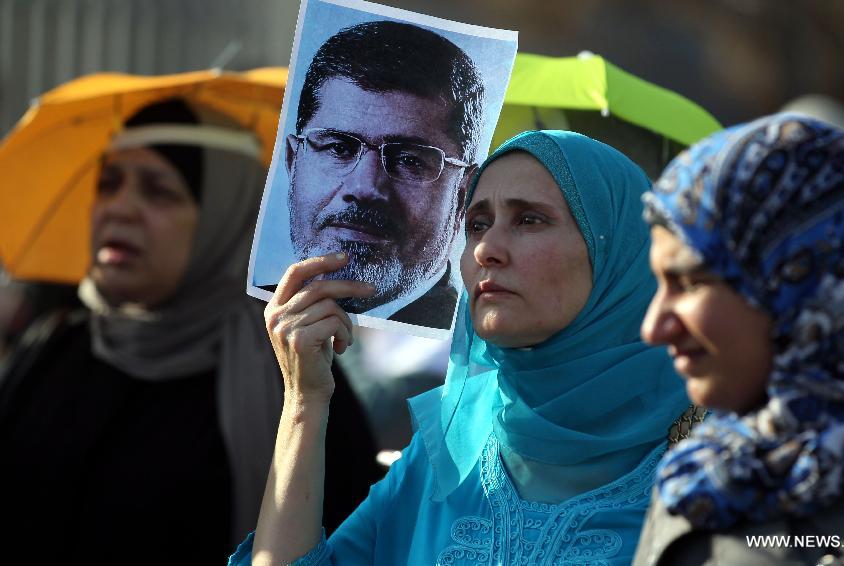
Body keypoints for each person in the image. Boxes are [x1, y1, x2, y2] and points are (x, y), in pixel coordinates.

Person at [233, 130, 690, 565]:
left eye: (529, 220)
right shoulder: (450, 450)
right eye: (477, 225)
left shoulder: (712, 458)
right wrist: (304, 401)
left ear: (618, 250)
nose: (486, 249)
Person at [0, 98, 381, 563]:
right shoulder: (54, 347)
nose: (120, 209)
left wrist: (304, 403)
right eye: (109, 184)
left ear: (224, 215)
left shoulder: (295, 374)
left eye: (159, 191)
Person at [634, 114, 844, 565]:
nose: (653, 327)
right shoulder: (707, 472)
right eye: (659, 284)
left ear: (808, 281)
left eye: (691, 282)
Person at [273, 20, 484, 330]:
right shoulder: (245, 317)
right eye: (338, 148)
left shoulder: (482, 341)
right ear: (293, 162)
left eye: (409, 160)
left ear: (463, 193)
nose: (365, 187)